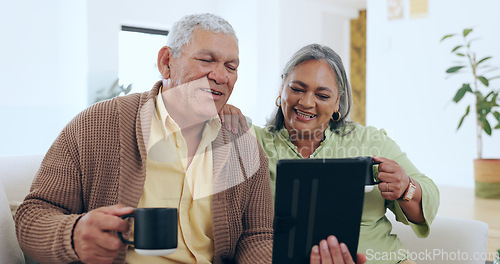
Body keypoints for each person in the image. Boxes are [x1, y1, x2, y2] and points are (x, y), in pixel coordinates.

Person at [15, 14, 364, 264]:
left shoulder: (239, 139)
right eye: (206, 60)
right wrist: (74, 235)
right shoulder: (100, 124)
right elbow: (33, 215)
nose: (220, 76)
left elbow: (256, 237)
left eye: (231, 66)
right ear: (167, 63)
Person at [220, 44, 440, 264]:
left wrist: (405, 188)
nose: (306, 102)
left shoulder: (370, 140)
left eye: (322, 95)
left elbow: (428, 196)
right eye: (297, 89)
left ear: (337, 102)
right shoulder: (252, 141)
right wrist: (220, 109)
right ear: (281, 88)